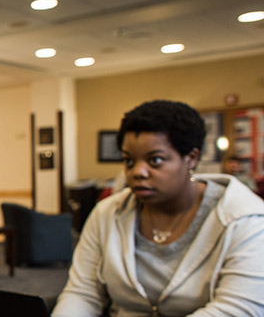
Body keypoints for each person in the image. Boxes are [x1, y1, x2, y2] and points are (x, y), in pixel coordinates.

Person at [53, 100, 264, 316]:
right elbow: (82, 294)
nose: (138, 172)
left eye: (155, 160)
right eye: (128, 161)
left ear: (191, 158)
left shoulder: (245, 219)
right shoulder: (106, 213)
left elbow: (237, 309)